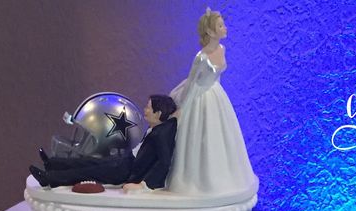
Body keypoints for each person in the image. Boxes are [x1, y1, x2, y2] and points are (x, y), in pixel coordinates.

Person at [166, 10, 258, 197]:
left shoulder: (222, 49)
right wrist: (183, 107)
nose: (225, 28)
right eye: (220, 26)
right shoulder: (201, 57)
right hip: (201, 97)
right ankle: (199, 180)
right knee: (200, 136)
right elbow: (192, 82)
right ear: (209, 31)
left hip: (216, 94)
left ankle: (223, 176)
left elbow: (217, 76)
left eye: (223, 25)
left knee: (221, 135)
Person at [30, 95, 177, 190]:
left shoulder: (161, 134)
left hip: (126, 171)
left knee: (88, 172)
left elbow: (164, 163)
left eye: (148, 108)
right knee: (89, 162)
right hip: (126, 161)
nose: (145, 110)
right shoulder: (155, 129)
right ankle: (53, 164)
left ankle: (48, 179)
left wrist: (144, 185)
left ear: (158, 113)